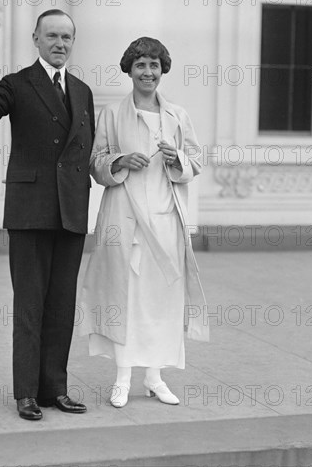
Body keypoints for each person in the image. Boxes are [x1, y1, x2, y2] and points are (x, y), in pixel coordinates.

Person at [0, 9, 95, 420]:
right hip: (29, 211)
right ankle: (25, 393)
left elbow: (84, 150)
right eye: (52, 36)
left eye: (67, 38)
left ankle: (55, 388)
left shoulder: (82, 90)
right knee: (29, 306)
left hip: (71, 211)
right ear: (35, 39)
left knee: (61, 305)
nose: (60, 44)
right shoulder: (16, 84)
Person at [78, 37, 209, 408]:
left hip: (165, 223)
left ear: (162, 69)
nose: (147, 72)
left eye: (154, 65)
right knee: (126, 300)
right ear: (129, 70)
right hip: (125, 221)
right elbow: (95, 162)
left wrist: (177, 157)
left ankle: (155, 377)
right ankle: (121, 379)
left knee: (161, 300)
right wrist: (119, 161)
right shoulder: (111, 114)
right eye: (140, 65)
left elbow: (196, 162)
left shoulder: (178, 115)